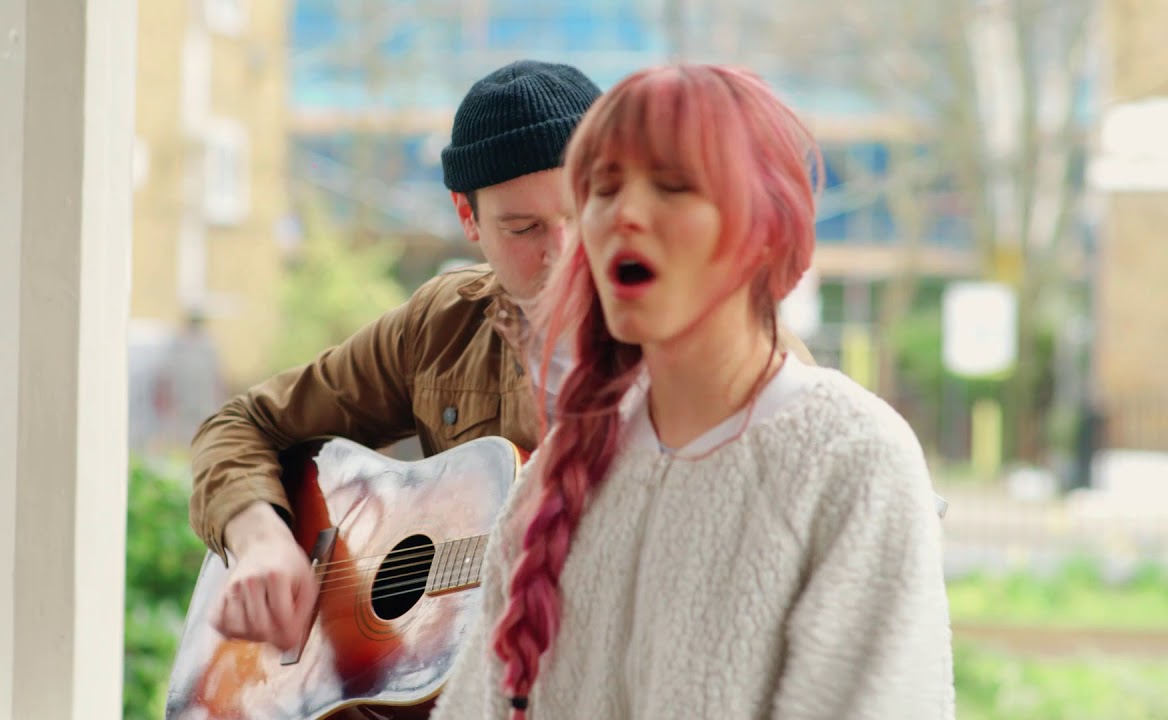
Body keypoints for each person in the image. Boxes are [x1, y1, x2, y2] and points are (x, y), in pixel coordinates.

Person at [189, 60, 815, 654]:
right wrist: (261, 538)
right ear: (469, 218)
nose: (567, 251)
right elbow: (240, 425)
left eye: (581, 212)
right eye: (524, 229)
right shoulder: (440, 326)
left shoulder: (730, 352)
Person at [429, 64, 955, 720]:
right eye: (603, 187)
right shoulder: (554, 475)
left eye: (673, 187)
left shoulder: (853, 459)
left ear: (766, 227)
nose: (623, 214)